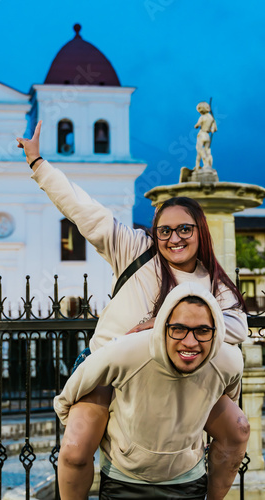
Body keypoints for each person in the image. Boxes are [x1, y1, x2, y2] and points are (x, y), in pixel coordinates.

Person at [16, 121, 250, 500]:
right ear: (154, 233)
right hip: (111, 369)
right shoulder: (134, 250)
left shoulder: (215, 285)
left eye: (185, 229)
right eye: (165, 230)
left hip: (183, 375)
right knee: (75, 450)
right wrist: (38, 163)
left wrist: (161, 324)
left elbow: (236, 327)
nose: (174, 238)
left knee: (237, 428)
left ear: (200, 231)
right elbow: (83, 209)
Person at [54, 282, 244, 499]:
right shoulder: (126, 350)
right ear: (163, 326)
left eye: (202, 331)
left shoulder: (229, 360)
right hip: (124, 473)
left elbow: (228, 394)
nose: (190, 342)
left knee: (240, 428)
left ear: (216, 332)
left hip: (186, 473)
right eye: (178, 329)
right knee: (73, 449)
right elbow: (70, 393)